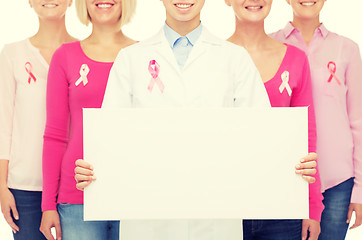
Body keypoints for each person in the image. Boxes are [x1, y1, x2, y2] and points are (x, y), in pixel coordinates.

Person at [75, 0, 319, 239]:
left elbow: (263, 139)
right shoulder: (130, 59)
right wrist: (93, 169)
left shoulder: (235, 58)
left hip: (216, 221)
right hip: (149, 223)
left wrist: (293, 166)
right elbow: (110, 141)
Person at [225, 0, 323, 239]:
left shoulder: (296, 59)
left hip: (282, 205)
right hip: (226, 204)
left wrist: (311, 207)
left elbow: (307, 137)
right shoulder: (212, 58)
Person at [39, 0, 137, 240]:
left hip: (132, 193)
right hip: (77, 199)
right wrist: (48, 205)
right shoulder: (65, 56)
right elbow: (55, 135)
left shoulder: (145, 55)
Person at [270, 0, 362, 239]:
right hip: (286, 175)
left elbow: (358, 121)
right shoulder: (270, 44)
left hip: (337, 180)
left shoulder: (347, 48)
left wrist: (360, 191)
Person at [0, 1, 76, 239]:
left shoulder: (83, 52)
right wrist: (2, 186)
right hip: (26, 188)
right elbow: (4, 124)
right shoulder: (13, 54)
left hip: (74, 184)